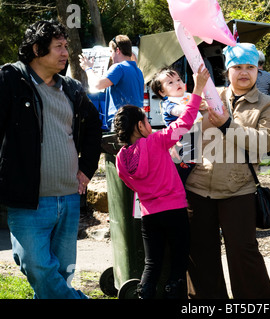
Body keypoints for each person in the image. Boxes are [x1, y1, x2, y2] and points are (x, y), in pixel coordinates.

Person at [0, 20, 102, 299]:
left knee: (60, 275)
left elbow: (94, 127)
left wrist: (86, 169)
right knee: (36, 266)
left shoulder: (71, 88)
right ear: (36, 49)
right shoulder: (10, 80)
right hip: (28, 200)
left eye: (66, 46)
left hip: (68, 198)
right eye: (58, 46)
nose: (65, 53)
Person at [184, 42, 270, 299]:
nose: (244, 72)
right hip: (198, 187)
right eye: (237, 66)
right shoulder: (209, 97)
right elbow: (186, 139)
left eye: (250, 66)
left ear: (259, 71)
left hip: (239, 189)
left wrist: (227, 123)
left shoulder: (268, 105)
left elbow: (263, 143)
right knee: (201, 255)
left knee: (243, 253)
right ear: (227, 70)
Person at [114, 65, 210, 299]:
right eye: (146, 121)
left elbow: (131, 184)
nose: (150, 124)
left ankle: (144, 295)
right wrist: (197, 88)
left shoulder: (120, 158)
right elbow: (186, 121)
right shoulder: (157, 141)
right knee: (178, 262)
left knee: (152, 264)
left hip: (149, 215)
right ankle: (172, 294)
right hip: (175, 210)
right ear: (139, 126)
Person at [150, 67, 206, 183]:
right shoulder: (168, 103)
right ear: (162, 92)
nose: (177, 83)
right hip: (182, 138)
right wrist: (195, 104)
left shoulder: (188, 96)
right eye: (170, 83)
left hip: (198, 134)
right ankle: (179, 182)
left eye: (178, 80)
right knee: (187, 161)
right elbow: (180, 111)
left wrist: (202, 105)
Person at [79, 34, 144, 130]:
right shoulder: (138, 71)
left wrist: (88, 68)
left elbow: (96, 85)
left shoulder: (119, 67)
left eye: (110, 51)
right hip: (138, 122)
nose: (110, 56)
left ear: (117, 50)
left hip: (123, 122)